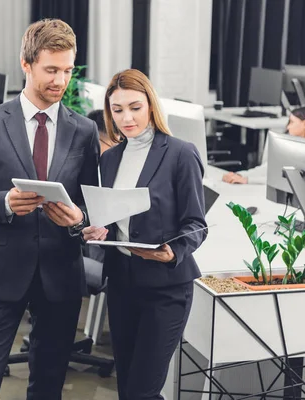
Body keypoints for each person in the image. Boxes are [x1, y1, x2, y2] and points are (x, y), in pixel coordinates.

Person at [0, 19, 99, 399]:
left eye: (67, 70)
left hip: (61, 272)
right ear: (26, 64)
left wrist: (79, 218)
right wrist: (3, 202)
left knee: (49, 383)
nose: (61, 80)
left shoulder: (83, 131)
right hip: (2, 272)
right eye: (51, 69)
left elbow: (92, 204)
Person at [82, 69, 207, 400]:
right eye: (117, 109)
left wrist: (172, 250)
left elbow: (197, 223)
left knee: (141, 390)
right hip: (122, 284)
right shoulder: (109, 159)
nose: (126, 117)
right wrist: (100, 229)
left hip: (166, 288)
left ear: (151, 105)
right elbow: (114, 218)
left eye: (134, 107)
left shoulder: (181, 153)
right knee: (129, 389)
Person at [223, 106, 305, 184]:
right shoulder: (288, 145)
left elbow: (285, 180)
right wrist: (240, 175)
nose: (288, 127)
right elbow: (267, 169)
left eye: (292, 122)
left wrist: (248, 180)